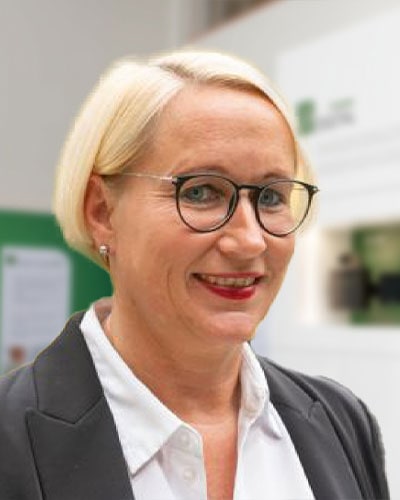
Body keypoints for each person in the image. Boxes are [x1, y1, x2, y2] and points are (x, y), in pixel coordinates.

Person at [0, 49, 389, 500]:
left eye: (270, 197)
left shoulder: (341, 422)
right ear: (102, 211)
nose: (250, 241)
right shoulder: (9, 441)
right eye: (202, 192)